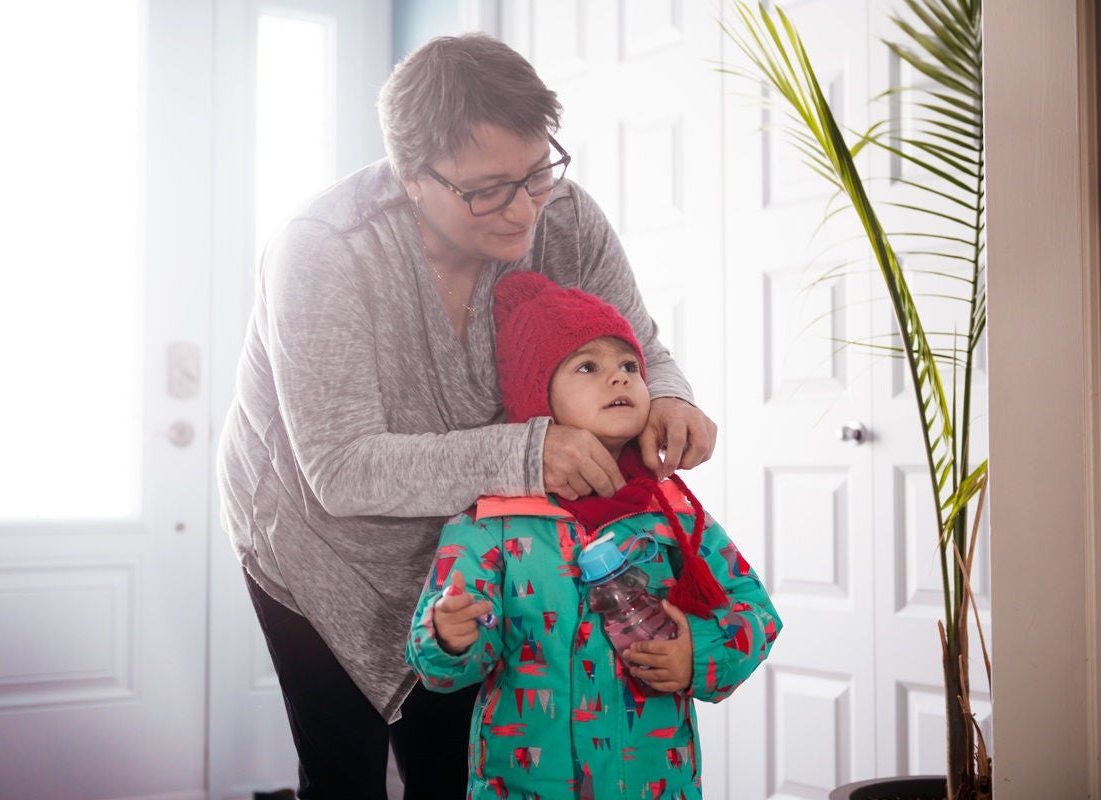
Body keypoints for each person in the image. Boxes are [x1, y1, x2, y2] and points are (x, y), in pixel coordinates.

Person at [216, 32, 718, 800]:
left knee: (459, 764)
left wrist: (673, 394)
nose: (524, 208)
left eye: (536, 171)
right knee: (342, 771)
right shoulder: (322, 252)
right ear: (413, 177)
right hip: (316, 545)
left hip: (474, 541)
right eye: (488, 189)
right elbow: (341, 470)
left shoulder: (565, 218)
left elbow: (641, 343)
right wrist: (528, 454)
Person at [406, 272, 782, 798]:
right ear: (539, 399)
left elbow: (754, 612)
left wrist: (697, 654)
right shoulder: (489, 522)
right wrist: (450, 635)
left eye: (630, 366)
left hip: (655, 783)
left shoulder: (672, 512)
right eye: (589, 367)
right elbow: (441, 667)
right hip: (525, 785)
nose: (620, 379)